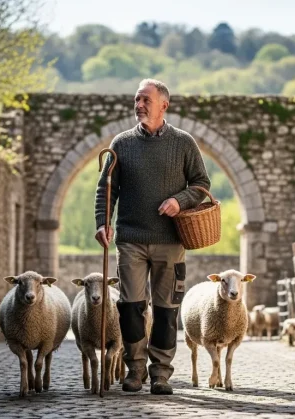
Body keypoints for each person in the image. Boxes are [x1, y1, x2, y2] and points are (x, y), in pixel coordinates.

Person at [94, 78, 210, 395]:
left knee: (166, 311)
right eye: (136, 99)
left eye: (146, 99)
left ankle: (160, 373)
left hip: (171, 241)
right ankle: (134, 370)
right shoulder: (121, 144)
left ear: (164, 105)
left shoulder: (184, 143)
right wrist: (102, 222)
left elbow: (201, 186)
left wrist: (180, 201)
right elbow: (106, 189)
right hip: (130, 239)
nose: (139, 105)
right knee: (130, 307)